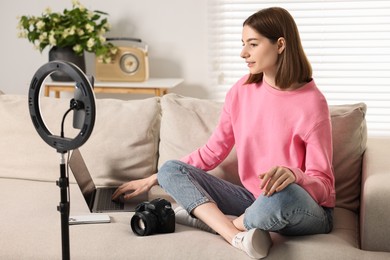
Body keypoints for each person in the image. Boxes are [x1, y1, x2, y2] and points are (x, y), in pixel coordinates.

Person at [113, 7, 335, 259]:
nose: (243, 53)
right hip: (253, 200)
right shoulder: (241, 91)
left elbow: (325, 187)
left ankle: (208, 221)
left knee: (282, 195)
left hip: (303, 208)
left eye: (253, 44)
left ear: (280, 44)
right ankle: (232, 235)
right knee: (169, 169)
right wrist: (154, 178)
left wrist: (294, 175)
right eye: (243, 44)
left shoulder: (312, 103)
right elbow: (212, 152)